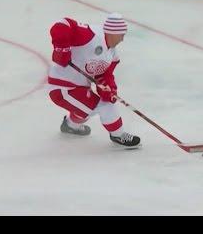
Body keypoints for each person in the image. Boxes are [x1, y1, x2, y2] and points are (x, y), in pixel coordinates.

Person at [48, 13, 140, 148]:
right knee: (104, 107)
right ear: (112, 32)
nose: (122, 39)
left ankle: (70, 126)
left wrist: (109, 89)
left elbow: (105, 76)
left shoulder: (112, 54)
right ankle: (118, 135)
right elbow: (63, 24)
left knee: (85, 109)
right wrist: (62, 48)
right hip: (62, 87)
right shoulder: (90, 35)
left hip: (79, 88)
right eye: (121, 35)